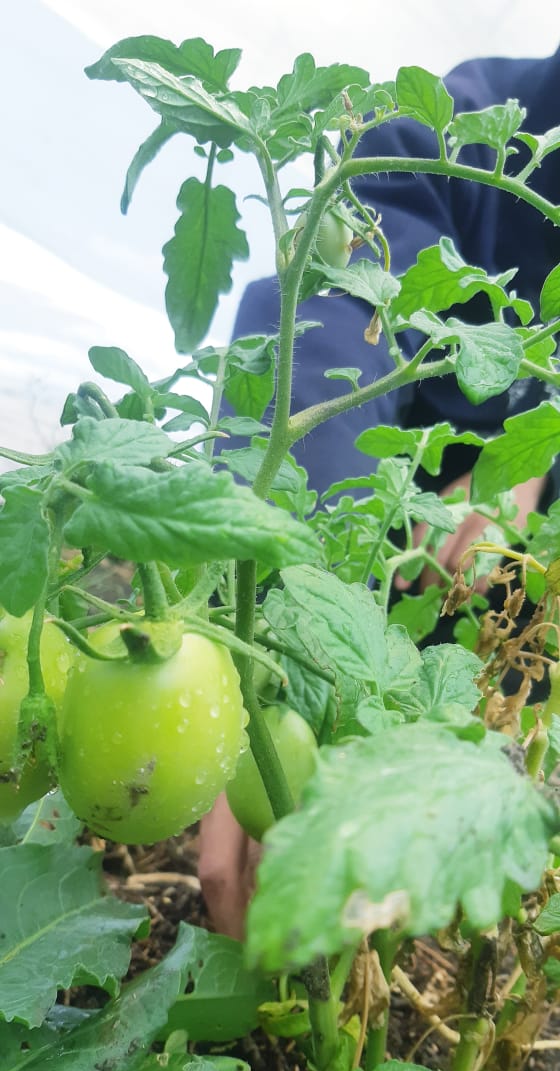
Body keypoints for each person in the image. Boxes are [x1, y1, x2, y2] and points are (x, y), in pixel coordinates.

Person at [198, 46, 560, 939]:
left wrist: (532, 461)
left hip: (499, 628)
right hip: (378, 568)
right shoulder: (453, 136)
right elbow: (326, 324)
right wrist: (278, 661)